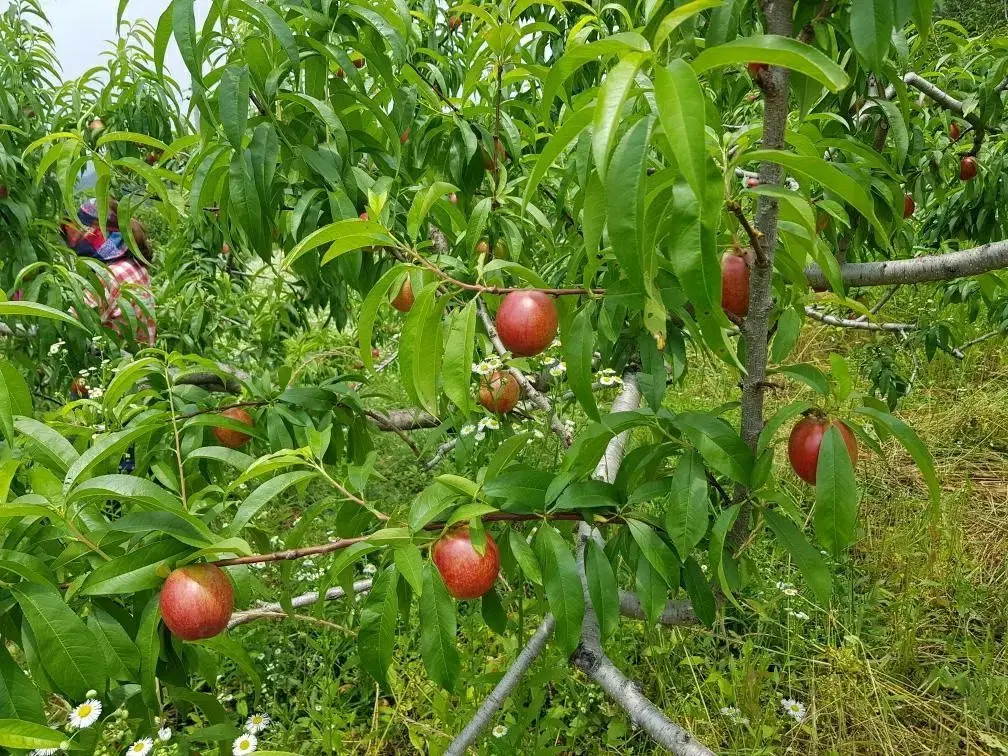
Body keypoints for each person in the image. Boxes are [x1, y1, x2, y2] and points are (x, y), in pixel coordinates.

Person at [63, 198, 157, 346]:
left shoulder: (109, 276)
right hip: (141, 363)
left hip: (117, 364)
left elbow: (69, 324)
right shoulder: (135, 266)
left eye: (82, 233)